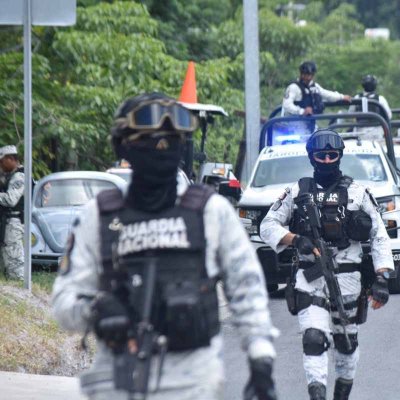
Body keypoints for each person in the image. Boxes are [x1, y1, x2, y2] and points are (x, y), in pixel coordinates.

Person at [52, 93, 278, 400]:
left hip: (193, 383)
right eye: (150, 138)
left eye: (172, 139)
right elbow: (64, 300)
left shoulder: (210, 211)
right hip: (118, 382)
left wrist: (260, 359)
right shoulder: (99, 216)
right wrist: (96, 310)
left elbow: (246, 288)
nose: (162, 147)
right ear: (123, 145)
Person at [260, 129, 393, 400]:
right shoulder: (298, 192)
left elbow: (379, 234)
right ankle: (317, 395)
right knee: (313, 338)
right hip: (310, 277)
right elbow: (267, 226)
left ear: (340, 156)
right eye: (322, 155)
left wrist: (382, 278)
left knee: (346, 343)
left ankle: (340, 395)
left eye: (333, 155)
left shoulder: (357, 193)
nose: (328, 160)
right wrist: (296, 240)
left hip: (348, 279)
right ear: (312, 158)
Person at [282, 61, 352, 117]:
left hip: (309, 124)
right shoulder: (293, 87)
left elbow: (327, 94)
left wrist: (342, 97)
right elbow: (287, 105)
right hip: (292, 123)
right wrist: (302, 111)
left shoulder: (314, 86)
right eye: (306, 74)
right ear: (301, 74)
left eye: (311, 75)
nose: (309, 78)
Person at [0, 145, 25, 280]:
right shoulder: (10, 176)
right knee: (8, 259)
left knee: (14, 261)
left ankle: (21, 290)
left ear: (10, 159)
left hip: (14, 223)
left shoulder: (19, 177)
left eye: (2, 161)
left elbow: (10, 200)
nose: (1, 165)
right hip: (9, 222)